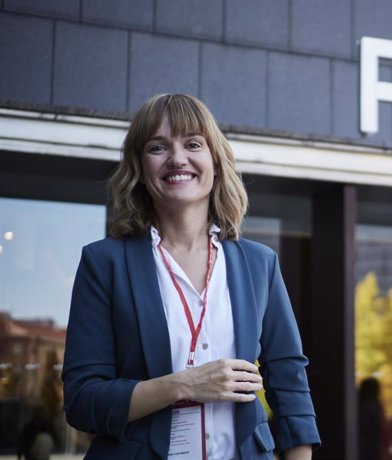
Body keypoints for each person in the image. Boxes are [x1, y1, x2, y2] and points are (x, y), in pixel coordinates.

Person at [61, 94, 320, 459]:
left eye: (193, 144)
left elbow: (290, 385)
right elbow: (82, 401)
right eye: (158, 147)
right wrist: (183, 385)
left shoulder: (259, 264)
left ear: (215, 160)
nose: (177, 158)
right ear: (140, 166)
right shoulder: (104, 263)